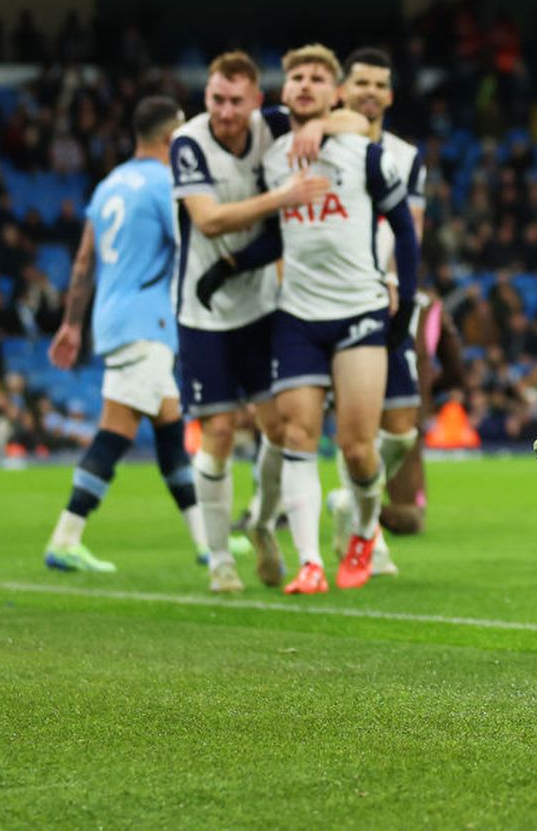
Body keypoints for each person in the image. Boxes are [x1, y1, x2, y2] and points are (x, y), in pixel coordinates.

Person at [171, 50, 362, 594]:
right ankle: (218, 560)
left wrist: (322, 121)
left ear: (257, 101)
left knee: (280, 429)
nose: (225, 112)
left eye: (235, 101)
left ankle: (261, 521)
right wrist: (283, 196)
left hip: (262, 305)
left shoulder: (272, 126)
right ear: (205, 98)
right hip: (203, 312)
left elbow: (356, 122)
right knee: (221, 432)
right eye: (216, 100)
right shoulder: (189, 142)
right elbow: (207, 221)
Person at [258, 45, 419, 595]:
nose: (304, 85)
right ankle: (308, 562)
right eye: (295, 77)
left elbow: (406, 230)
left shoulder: (365, 153)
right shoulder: (271, 156)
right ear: (283, 91)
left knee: (357, 447)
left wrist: (407, 300)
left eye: (317, 79)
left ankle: (365, 531)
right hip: (297, 313)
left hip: (357, 311)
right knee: (297, 435)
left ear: (337, 94)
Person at [44, 96, 208, 573]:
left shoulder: (110, 184)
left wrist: (73, 323)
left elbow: (82, 263)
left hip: (113, 319)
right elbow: (194, 242)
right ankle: (66, 537)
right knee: (115, 433)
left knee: (171, 431)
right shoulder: (165, 184)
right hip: (147, 323)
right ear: (171, 139)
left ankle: (207, 542)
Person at [325, 47, 427, 577]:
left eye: (379, 84)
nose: (369, 91)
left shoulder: (406, 156)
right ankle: (368, 533)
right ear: (342, 91)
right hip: (328, 297)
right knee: (348, 425)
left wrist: (394, 281)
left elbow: (410, 225)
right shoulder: (322, 146)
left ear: (390, 95)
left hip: (385, 293)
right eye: (359, 82)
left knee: (401, 427)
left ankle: (348, 501)